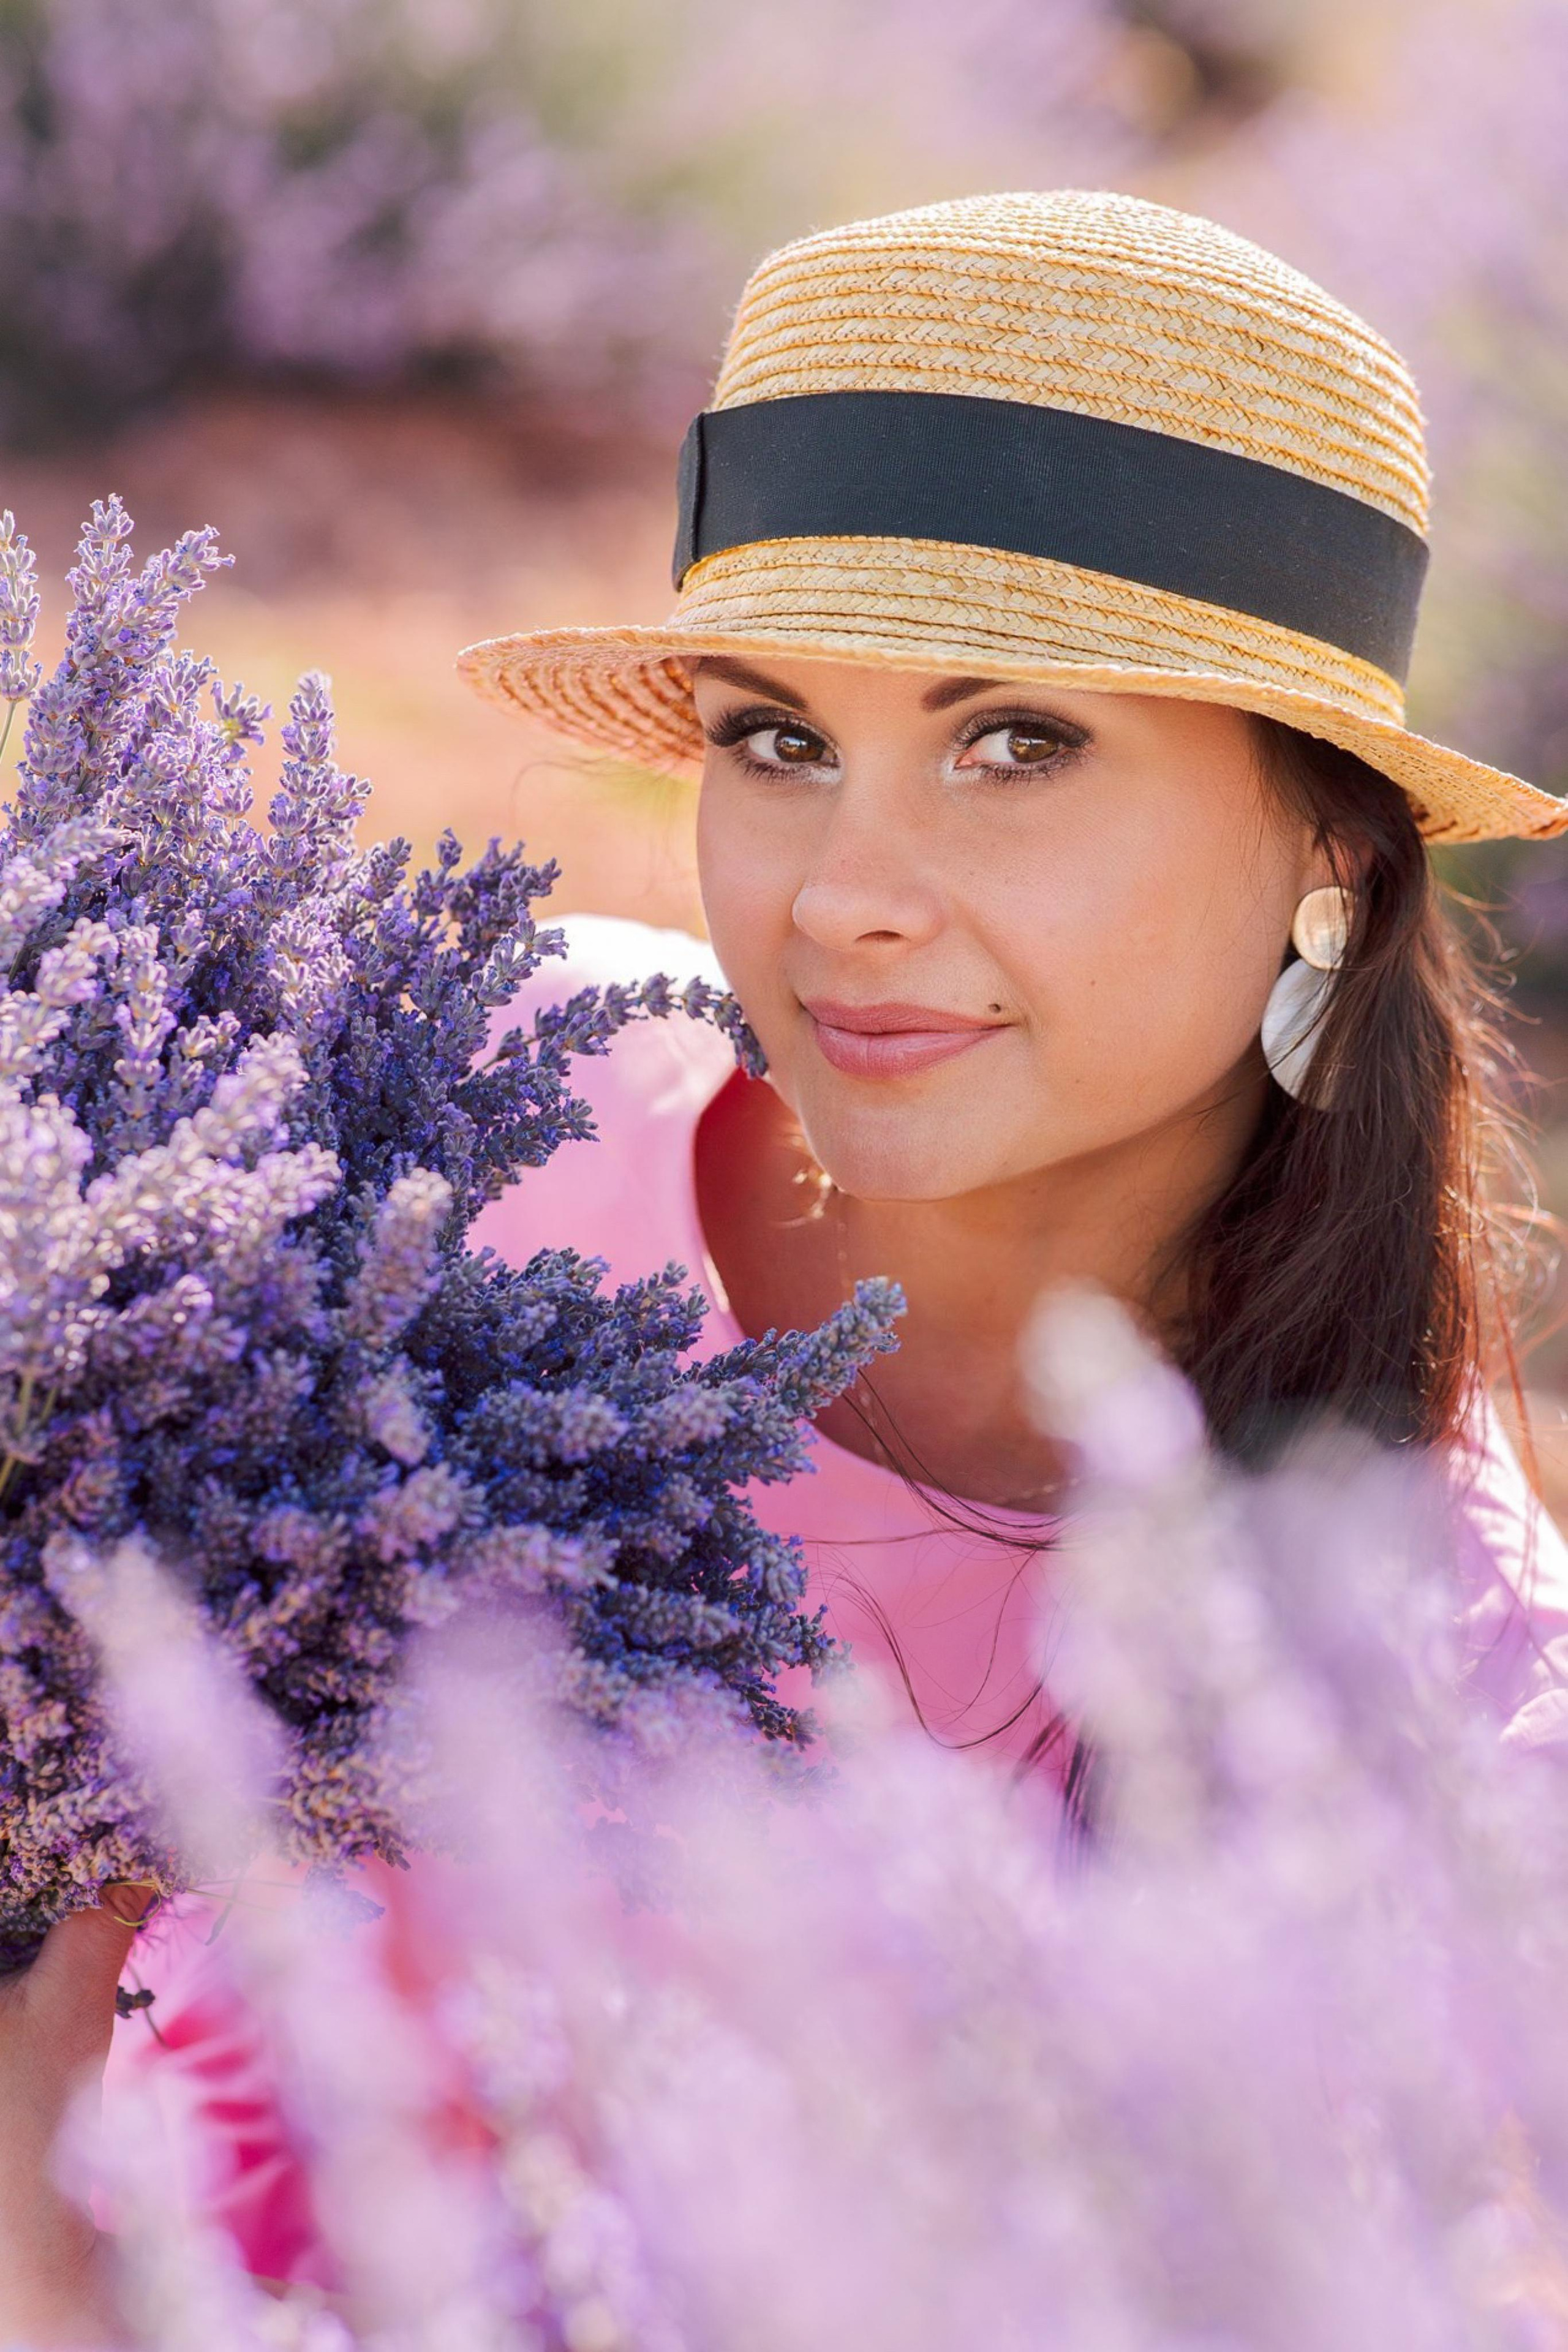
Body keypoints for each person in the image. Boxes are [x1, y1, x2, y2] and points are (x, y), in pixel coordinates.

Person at [8, 187, 1568, 2332]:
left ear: (1330, 850)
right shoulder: (450, 1123)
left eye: (1015, 742)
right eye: (778, 737)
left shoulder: (1402, 1664)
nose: (845, 894)